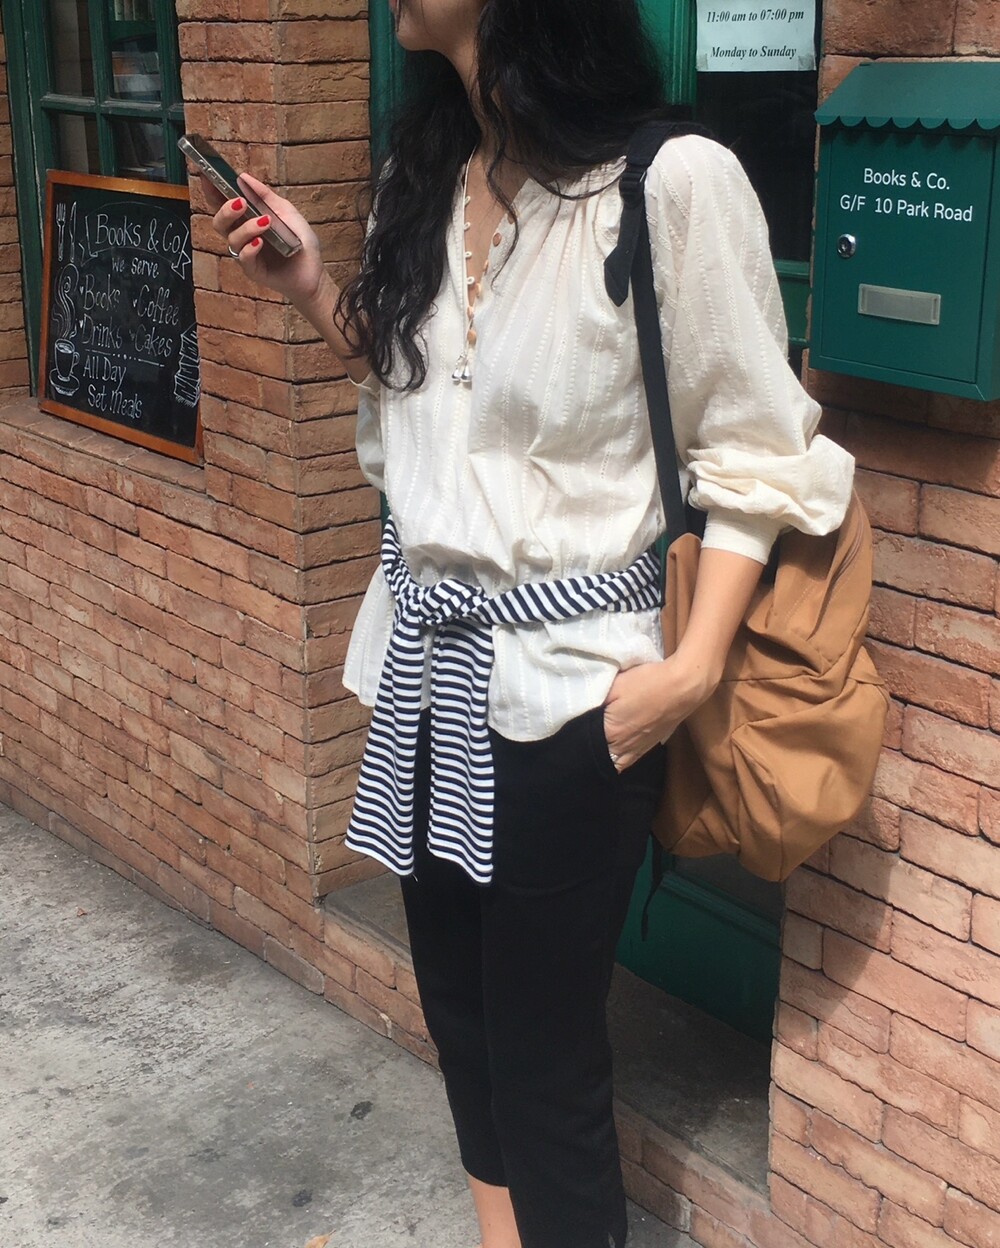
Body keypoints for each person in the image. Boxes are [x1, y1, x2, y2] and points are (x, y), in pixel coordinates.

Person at [208, 2, 854, 1245]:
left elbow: (757, 444)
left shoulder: (669, 183)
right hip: (420, 670)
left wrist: (691, 669)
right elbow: (420, 393)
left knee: (546, 1062)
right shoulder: (422, 176)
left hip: (572, 696)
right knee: (461, 1019)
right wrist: (311, 286)